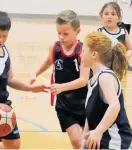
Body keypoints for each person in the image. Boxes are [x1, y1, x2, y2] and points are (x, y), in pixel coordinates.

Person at [0, 10, 49, 149]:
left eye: (4, 36)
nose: (0, 40)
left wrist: (29, 89)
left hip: (2, 102)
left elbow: (10, 79)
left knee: (14, 145)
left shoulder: (5, 50)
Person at [30, 10, 89, 149]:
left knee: (87, 140)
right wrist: (35, 74)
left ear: (77, 31)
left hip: (84, 101)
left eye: (66, 34)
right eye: (59, 33)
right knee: (76, 140)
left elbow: (84, 80)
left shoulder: (82, 51)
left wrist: (62, 86)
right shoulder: (55, 48)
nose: (61, 37)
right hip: (63, 103)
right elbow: (48, 62)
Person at [81, 31, 132, 149]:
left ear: (94, 54)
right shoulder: (93, 79)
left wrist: (98, 131)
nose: (81, 54)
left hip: (113, 141)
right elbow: (90, 113)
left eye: (83, 51)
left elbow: (114, 106)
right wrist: (84, 138)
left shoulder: (105, 76)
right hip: (99, 140)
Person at [97, 2, 132, 70]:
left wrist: (128, 54)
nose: (109, 17)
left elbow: (130, 49)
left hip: (120, 65)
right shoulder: (100, 32)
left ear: (119, 18)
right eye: (106, 14)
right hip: (105, 66)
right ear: (101, 16)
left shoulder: (123, 31)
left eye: (113, 14)